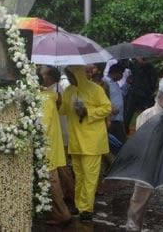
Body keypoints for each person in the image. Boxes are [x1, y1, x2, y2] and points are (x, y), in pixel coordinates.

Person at [59, 66, 112, 221]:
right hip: (75, 141)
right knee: (80, 175)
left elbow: (107, 107)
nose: (69, 78)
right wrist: (58, 101)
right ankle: (79, 205)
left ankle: (86, 209)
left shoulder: (95, 89)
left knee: (90, 176)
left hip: (92, 142)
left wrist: (88, 111)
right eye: (68, 75)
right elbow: (63, 110)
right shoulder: (68, 91)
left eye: (71, 75)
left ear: (79, 74)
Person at [125, 78, 163, 231]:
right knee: (139, 199)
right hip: (148, 164)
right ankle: (133, 227)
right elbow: (140, 141)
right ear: (161, 97)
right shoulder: (147, 115)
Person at [38, 66, 71, 226]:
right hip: (52, 147)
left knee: (52, 182)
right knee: (55, 180)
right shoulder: (48, 97)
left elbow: (42, 127)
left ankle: (62, 214)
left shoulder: (44, 100)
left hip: (47, 149)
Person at [124, 58, 158, 132]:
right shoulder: (138, 65)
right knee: (130, 113)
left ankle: (129, 129)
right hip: (141, 94)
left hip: (141, 94)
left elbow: (153, 81)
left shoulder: (142, 66)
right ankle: (127, 129)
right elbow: (154, 82)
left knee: (140, 113)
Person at [104, 62, 127, 144]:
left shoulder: (115, 83)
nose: (122, 76)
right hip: (112, 118)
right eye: (121, 73)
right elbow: (104, 98)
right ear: (115, 73)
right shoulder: (106, 83)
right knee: (120, 141)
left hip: (118, 117)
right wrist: (111, 109)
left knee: (119, 141)